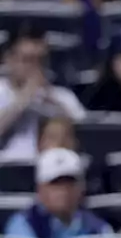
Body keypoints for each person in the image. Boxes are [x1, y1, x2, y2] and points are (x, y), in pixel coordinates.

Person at [3, 147, 112, 238]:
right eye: (55, 183)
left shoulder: (99, 228)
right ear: (40, 189)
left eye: (70, 183)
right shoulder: (24, 224)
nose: (64, 190)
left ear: (82, 188)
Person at [0, 25, 87, 161]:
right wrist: (24, 98)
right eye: (27, 60)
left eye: (40, 60)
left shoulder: (62, 96)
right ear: (9, 59)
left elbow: (83, 137)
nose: (35, 67)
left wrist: (51, 99)